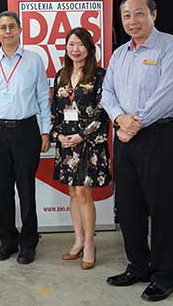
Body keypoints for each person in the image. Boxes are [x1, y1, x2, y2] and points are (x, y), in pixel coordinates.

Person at [101, 0, 173, 302]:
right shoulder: (119, 54)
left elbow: (169, 93)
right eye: (126, 15)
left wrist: (134, 123)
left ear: (154, 14)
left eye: (139, 13)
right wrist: (119, 121)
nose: (132, 20)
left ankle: (165, 275)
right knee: (128, 209)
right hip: (124, 137)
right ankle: (138, 265)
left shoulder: (171, 47)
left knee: (163, 209)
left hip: (159, 137)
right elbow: (106, 93)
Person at [0, 11, 51, 265]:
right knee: (2, 189)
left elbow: (43, 97)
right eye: (3, 28)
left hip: (26, 131)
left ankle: (28, 243)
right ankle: (8, 241)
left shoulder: (33, 61)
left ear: (20, 30)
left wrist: (46, 130)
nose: (7, 31)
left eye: (12, 27)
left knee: (26, 189)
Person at [50, 27, 111, 270]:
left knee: (84, 193)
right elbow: (56, 110)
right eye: (71, 44)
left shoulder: (100, 75)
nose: (75, 49)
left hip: (88, 144)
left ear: (89, 48)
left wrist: (80, 135)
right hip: (66, 144)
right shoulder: (61, 75)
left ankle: (89, 244)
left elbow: (103, 111)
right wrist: (59, 135)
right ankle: (77, 241)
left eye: (80, 45)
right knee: (72, 193)